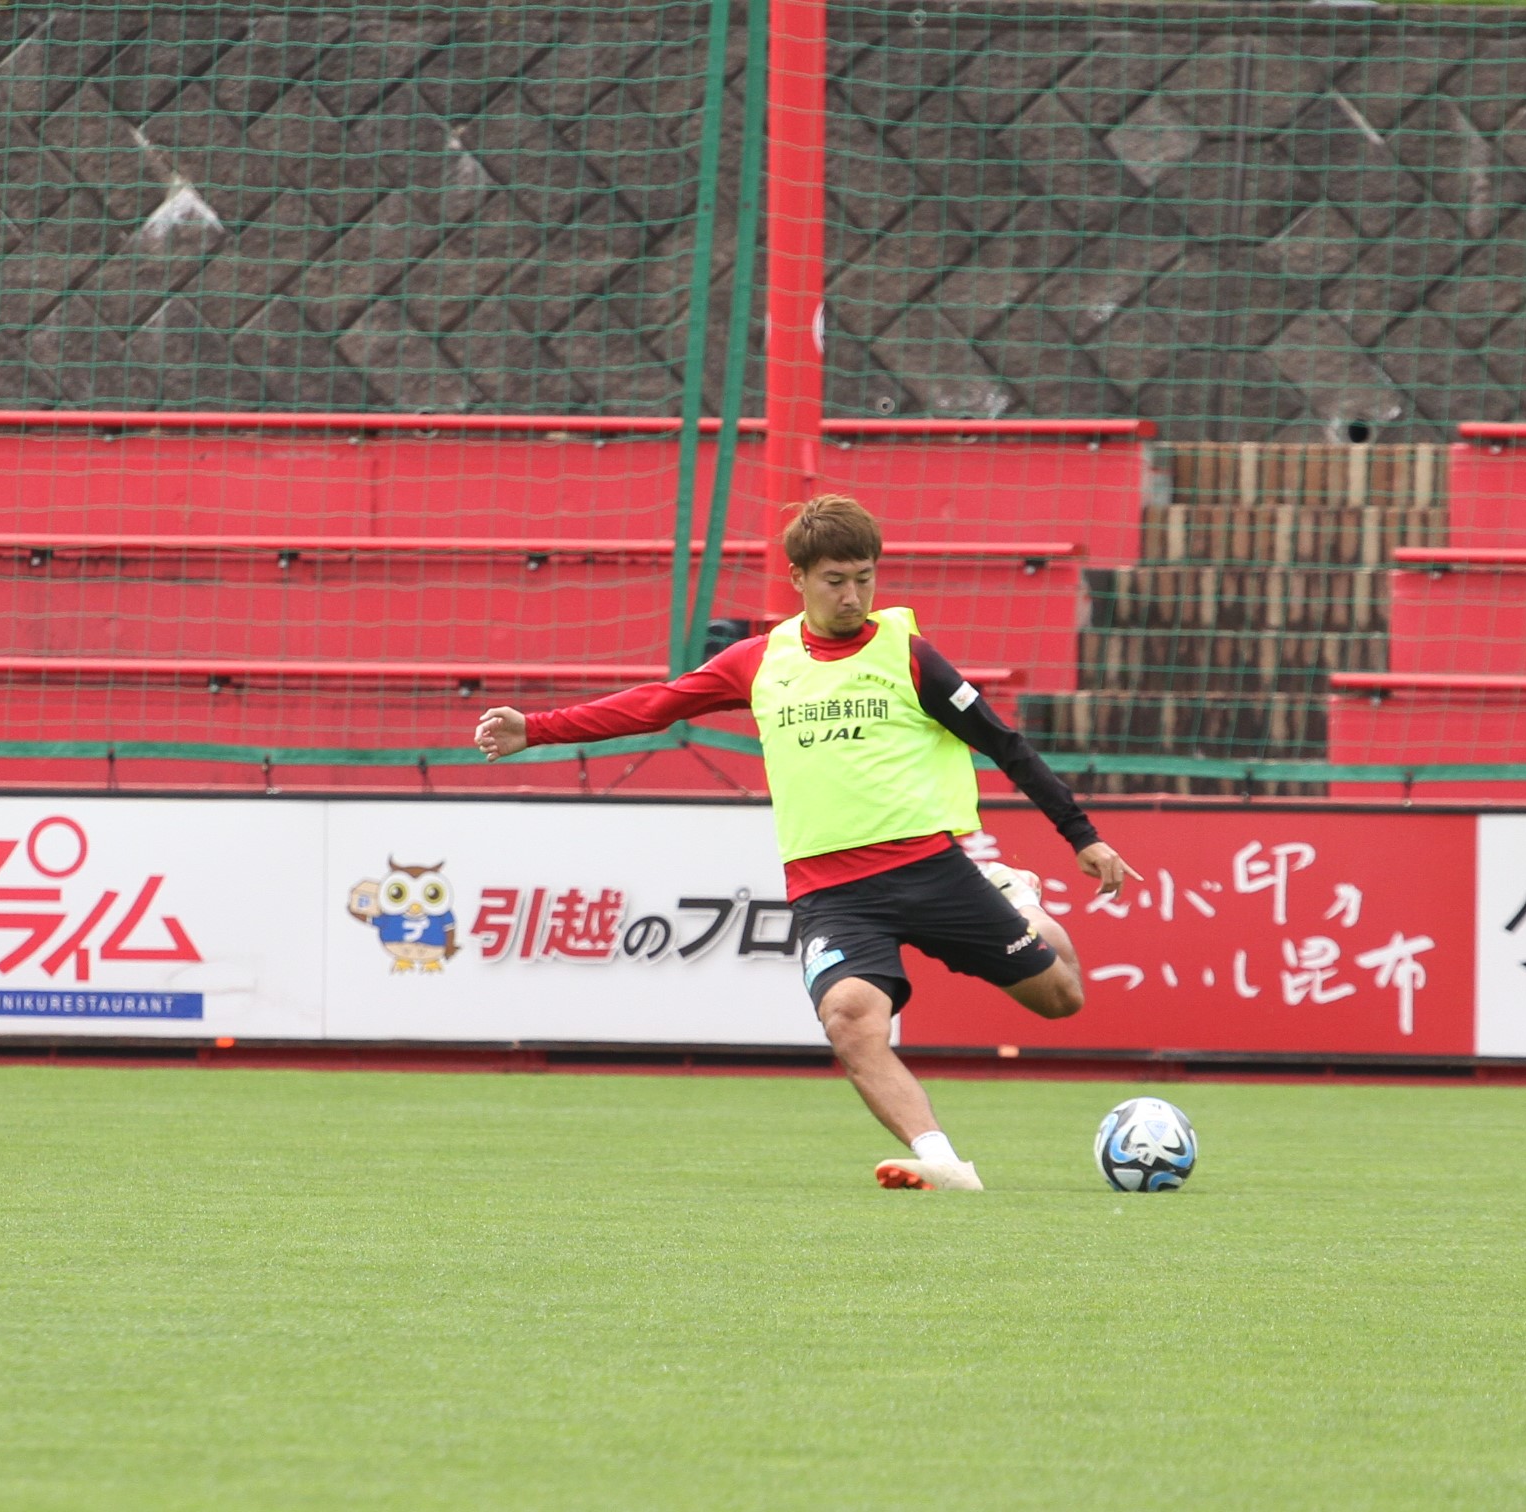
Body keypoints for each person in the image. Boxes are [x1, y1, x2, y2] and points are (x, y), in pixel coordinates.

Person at [474, 494, 1138, 1191]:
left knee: (1061, 998)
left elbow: (1004, 743)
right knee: (849, 1019)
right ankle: (942, 1160)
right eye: (834, 581)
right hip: (832, 891)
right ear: (797, 578)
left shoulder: (910, 657)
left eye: (864, 578)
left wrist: (1082, 836)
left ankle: (1019, 899)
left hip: (930, 871)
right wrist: (539, 728)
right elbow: (658, 704)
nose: (852, 596)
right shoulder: (760, 661)